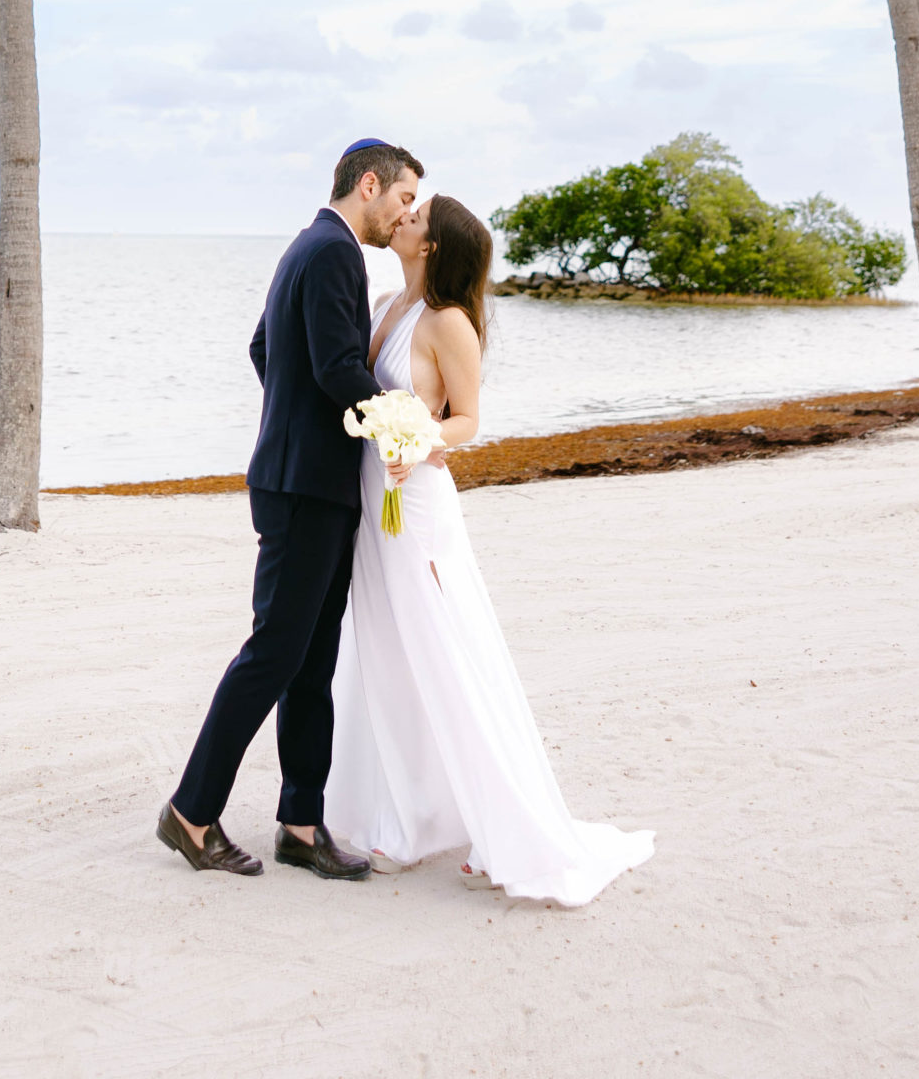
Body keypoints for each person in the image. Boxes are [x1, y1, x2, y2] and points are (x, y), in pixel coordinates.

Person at [324, 190, 655, 906]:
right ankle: (407, 815)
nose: (404, 217)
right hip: (371, 505)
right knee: (384, 653)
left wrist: (418, 439)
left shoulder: (449, 323)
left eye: (416, 216)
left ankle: (495, 824)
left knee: (442, 648)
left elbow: (469, 420)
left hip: (416, 504)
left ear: (434, 244)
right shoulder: (386, 304)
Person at [157, 138, 424, 880]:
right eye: (402, 198)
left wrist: (294, 415)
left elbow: (262, 349)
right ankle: (190, 812)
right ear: (369, 185)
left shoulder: (308, 246)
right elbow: (337, 364)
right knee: (275, 653)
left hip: (306, 478)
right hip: (305, 487)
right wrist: (398, 427)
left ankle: (301, 825)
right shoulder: (335, 252)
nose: (402, 214)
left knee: (312, 660)